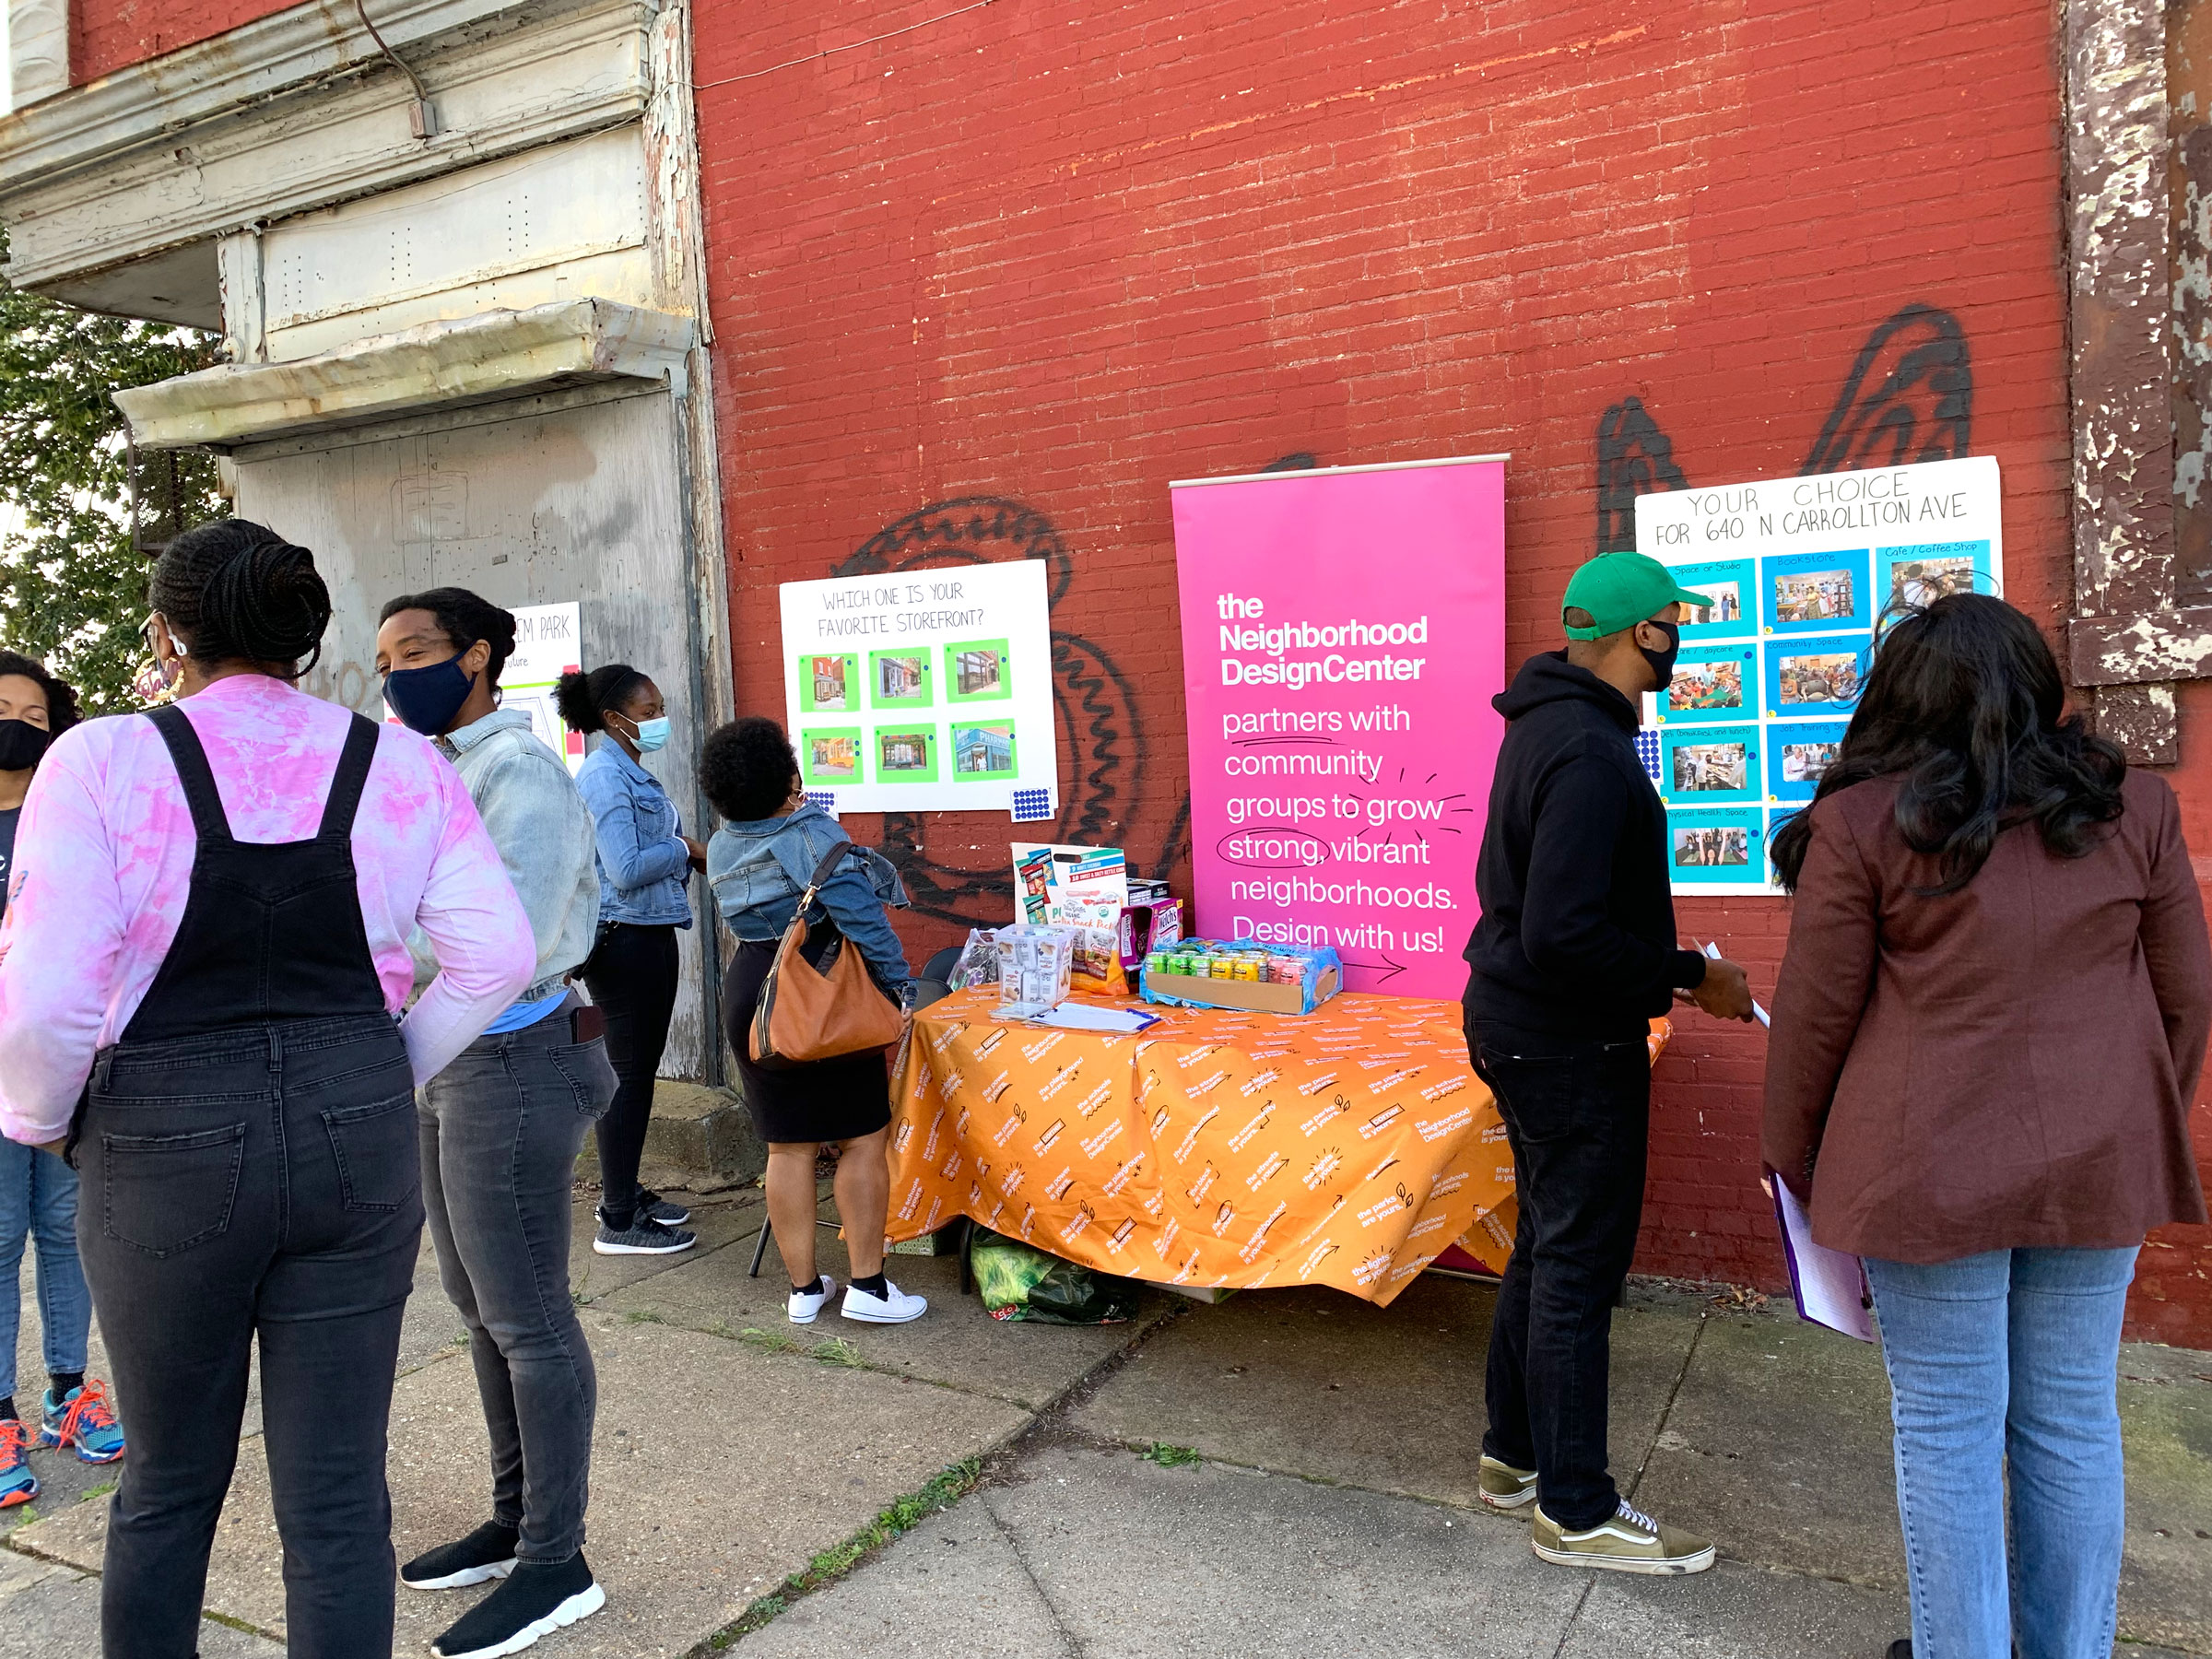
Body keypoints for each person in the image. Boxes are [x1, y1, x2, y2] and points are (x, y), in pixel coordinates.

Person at [0, 522, 534, 1658]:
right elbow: (498, 956)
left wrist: (42, 1122)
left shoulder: (96, 761)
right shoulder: (399, 761)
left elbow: (43, 995)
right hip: (357, 1128)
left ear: (165, 632)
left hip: (162, 1140)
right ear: (308, 636)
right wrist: (387, 1071)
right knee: (338, 1496)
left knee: (169, 1482)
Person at [1763, 594, 2211, 1659]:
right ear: (2039, 687)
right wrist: (2134, 1116)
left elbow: (1816, 1023)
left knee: (1951, 1431)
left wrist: (1795, 1161)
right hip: (2100, 1163)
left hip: (1927, 1172)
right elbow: (2188, 997)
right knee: (2070, 1421)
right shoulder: (2133, 808)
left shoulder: (1864, 823)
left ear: (1903, 699)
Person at [1460, 550, 1754, 1575]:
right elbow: (1564, 933)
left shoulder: (1552, 723)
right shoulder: (1587, 751)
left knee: (1547, 1245)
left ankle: (1515, 1458)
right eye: (1677, 625)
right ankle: (1577, 1512)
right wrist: (1691, 973)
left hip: (1524, 1026)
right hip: (1563, 1040)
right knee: (1578, 1266)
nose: (1684, 641)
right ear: (1643, 635)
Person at [375, 590, 617, 1659]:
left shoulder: (515, 771)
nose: (396, 673)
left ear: (477, 657)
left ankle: (558, 1564)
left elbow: (498, 938)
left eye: (417, 652)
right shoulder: (434, 766)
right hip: (453, 1056)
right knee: (479, 1305)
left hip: (514, 1054)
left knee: (528, 1316)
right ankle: (517, 1518)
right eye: (383, 657)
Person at [700, 716, 925, 1326]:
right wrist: (899, 988)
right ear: (785, 776)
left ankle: (803, 1291)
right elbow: (863, 922)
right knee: (861, 1138)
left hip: (755, 992)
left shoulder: (722, 842)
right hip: (823, 993)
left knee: (788, 1145)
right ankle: (869, 1289)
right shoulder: (810, 835)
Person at [0, 653, 124, 1510]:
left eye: (34, 715)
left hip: (69, 1062)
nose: (17, 723)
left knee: (68, 1227)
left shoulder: (73, 814)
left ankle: (68, 1391)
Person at [561, 665, 701, 1256]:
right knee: (630, 1076)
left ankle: (623, 1191)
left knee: (633, 1072)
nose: (657, 720)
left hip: (642, 934)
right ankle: (618, 1221)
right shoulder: (603, 776)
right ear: (614, 719)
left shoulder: (626, 770)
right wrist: (685, 849)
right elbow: (623, 866)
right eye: (648, 713)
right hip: (626, 941)